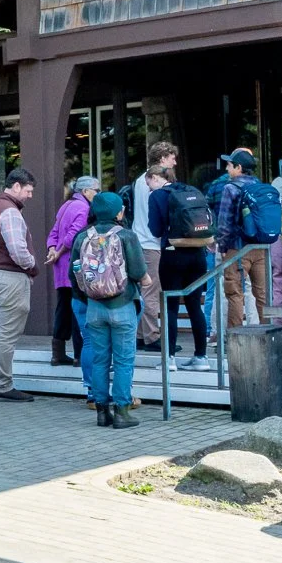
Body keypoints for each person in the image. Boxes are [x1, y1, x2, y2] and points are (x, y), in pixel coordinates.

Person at [71, 190, 148, 427]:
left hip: (94, 307)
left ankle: (101, 412)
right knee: (124, 361)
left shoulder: (82, 237)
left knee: (100, 360)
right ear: (119, 212)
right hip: (122, 304)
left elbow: (74, 274)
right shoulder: (126, 236)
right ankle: (122, 412)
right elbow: (136, 271)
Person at [0, 168, 39, 403]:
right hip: (10, 277)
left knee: (0, 333)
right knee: (6, 335)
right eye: (28, 190)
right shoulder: (10, 211)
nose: (30, 196)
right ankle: (3, 386)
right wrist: (32, 266)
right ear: (16, 186)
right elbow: (18, 250)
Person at [147, 168, 211, 372]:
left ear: (155, 178)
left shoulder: (157, 196)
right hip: (198, 254)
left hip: (172, 253)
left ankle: (170, 358)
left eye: (149, 183)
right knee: (194, 306)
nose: (149, 187)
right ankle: (201, 356)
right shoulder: (192, 190)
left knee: (170, 307)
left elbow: (156, 229)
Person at [129, 142, 178, 352]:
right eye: (172, 157)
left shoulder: (140, 180)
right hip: (151, 243)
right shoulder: (154, 183)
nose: (174, 161)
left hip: (142, 240)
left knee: (145, 288)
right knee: (151, 289)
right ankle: (151, 336)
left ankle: (141, 334)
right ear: (162, 158)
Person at [44, 176, 98, 366]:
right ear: (85, 191)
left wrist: (52, 249)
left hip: (59, 266)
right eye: (96, 190)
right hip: (72, 263)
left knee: (63, 308)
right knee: (78, 309)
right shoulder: (84, 208)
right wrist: (58, 252)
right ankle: (79, 355)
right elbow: (73, 235)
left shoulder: (65, 206)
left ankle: (57, 353)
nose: (97, 194)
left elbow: (54, 233)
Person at [213, 152, 270, 328]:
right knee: (261, 293)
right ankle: (267, 333)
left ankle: (235, 335)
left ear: (239, 168)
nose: (227, 168)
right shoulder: (260, 186)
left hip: (237, 248)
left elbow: (224, 222)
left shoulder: (230, 188)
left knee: (234, 292)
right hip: (260, 247)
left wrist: (222, 246)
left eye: (229, 165)